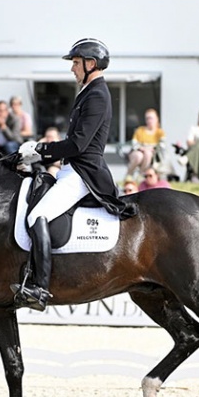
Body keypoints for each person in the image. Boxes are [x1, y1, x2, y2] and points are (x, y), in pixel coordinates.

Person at [13, 38, 136, 311]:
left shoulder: (97, 95)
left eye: (76, 64)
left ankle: (40, 288)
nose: (73, 70)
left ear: (91, 64)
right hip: (72, 167)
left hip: (83, 172)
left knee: (37, 215)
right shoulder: (89, 92)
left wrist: (40, 149)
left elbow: (78, 144)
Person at [126, 109, 166, 178]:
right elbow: (134, 143)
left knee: (148, 154)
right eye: (147, 118)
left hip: (152, 155)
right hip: (137, 152)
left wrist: (152, 149)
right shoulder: (140, 130)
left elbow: (162, 145)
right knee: (139, 156)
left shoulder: (160, 132)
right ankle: (129, 175)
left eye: (151, 118)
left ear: (156, 119)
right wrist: (142, 149)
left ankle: (141, 176)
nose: (149, 121)